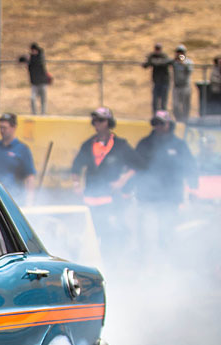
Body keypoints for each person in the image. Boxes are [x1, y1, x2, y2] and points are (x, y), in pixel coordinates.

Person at [131, 110, 198, 256]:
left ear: (169, 125)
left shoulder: (179, 145)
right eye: (155, 123)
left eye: (161, 123)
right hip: (147, 197)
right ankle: (146, 257)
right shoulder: (144, 144)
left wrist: (193, 186)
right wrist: (128, 188)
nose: (158, 127)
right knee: (146, 231)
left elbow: (190, 166)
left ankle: (168, 256)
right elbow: (134, 167)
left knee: (167, 229)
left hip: (171, 197)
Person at [70, 107, 139, 246]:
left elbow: (137, 165)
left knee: (113, 236)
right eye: (95, 120)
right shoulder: (88, 145)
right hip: (90, 200)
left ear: (109, 122)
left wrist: (122, 181)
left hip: (112, 200)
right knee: (92, 237)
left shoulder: (120, 145)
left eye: (101, 120)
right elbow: (75, 168)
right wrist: (76, 186)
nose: (97, 123)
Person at [18, 43, 49, 115]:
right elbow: (21, 60)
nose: (33, 52)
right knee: (32, 98)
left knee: (43, 99)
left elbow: (38, 60)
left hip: (42, 82)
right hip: (34, 83)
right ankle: (34, 113)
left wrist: (29, 59)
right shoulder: (31, 58)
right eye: (32, 51)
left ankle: (43, 113)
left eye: (34, 50)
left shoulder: (40, 57)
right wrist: (25, 59)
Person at [143, 43, 172, 114]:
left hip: (165, 82)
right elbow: (145, 65)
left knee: (163, 102)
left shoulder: (164, 56)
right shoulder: (152, 56)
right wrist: (150, 59)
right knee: (155, 101)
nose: (157, 51)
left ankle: (163, 116)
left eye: (158, 49)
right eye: (156, 49)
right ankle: (155, 115)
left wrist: (155, 62)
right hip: (156, 82)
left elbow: (167, 62)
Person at [172, 45, 194, 123]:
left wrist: (183, 63)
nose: (179, 54)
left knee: (186, 105)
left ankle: (185, 120)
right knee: (175, 106)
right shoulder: (174, 62)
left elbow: (190, 71)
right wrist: (176, 60)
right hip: (177, 87)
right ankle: (179, 120)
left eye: (181, 52)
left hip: (185, 86)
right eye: (178, 52)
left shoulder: (188, 62)